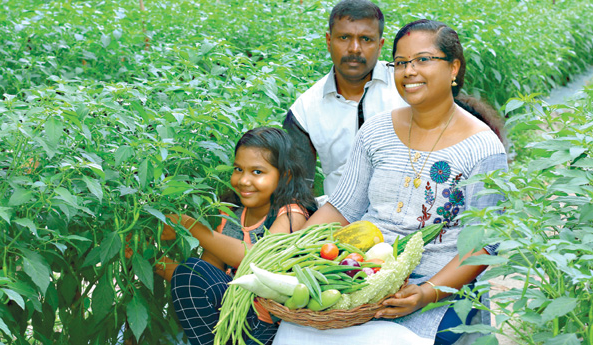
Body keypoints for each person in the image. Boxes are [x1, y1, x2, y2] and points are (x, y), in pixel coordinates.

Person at [274, 19, 507, 345]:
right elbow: (342, 208)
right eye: (400, 63)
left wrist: (426, 293)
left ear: (454, 68)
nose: (409, 71)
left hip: (434, 284)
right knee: (295, 330)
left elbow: (484, 244)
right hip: (359, 274)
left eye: (423, 60)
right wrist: (287, 255)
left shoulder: (482, 148)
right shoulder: (376, 131)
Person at [158, 127, 318, 345]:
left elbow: (257, 262)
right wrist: (151, 262)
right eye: (238, 169)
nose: (243, 180)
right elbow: (202, 279)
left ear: (285, 176)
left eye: (257, 172)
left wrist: (190, 226)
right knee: (192, 271)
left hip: (266, 323)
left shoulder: (291, 213)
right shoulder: (230, 214)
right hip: (231, 316)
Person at [283, 0, 408, 197]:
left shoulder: (406, 86)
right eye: (344, 37)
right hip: (339, 220)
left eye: (366, 39)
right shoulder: (305, 110)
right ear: (328, 40)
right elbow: (298, 192)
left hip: (410, 214)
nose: (355, 48)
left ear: (380, 45)